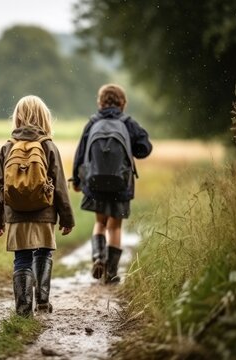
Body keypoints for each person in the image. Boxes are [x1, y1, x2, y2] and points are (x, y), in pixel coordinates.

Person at [0, 95, 75, 317]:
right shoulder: (48, 146)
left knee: (22, 258)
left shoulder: (7, 147)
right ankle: (43, 302)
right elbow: (60, 187)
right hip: (44, 213)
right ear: (45, 118)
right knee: (44, 253)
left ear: (16, 118)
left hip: (16, 214)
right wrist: (67, 218)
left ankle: (23, 309)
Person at [72, 84, 152, 284]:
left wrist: (76, 178)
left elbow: (80, 153)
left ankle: (98, 257)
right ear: (123, 103)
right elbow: (145, 148)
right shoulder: (128, 122)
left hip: (95, 181)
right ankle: (112, 273)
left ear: (99, 102)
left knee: (100, 222)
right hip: (121, 183)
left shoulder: (92, 123)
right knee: (115, 226)